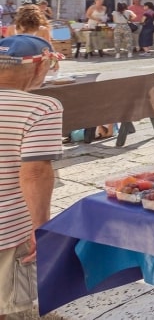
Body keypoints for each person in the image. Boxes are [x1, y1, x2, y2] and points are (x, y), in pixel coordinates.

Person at [0, 34, 64, 320]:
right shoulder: (41, 108)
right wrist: (41, 226)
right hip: (9, 225)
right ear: (40, 67)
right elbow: (35, 172)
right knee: (16, 306)